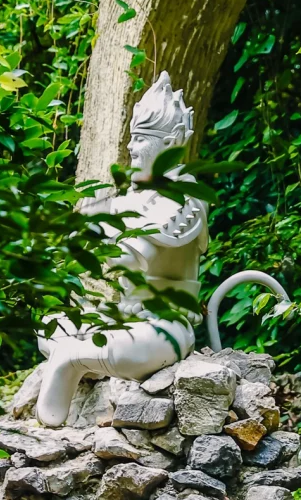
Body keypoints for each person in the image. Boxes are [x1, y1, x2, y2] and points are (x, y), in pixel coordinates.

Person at [35, 72, 207, 428]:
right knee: (49, 325)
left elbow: (129, 252)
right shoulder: (134, 196)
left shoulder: (187, 199)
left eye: (142, 140)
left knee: (138, 346)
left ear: (174, 141)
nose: (131, 148)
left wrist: (104, 219)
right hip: (125, 314)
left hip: (165, 325)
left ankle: (75, 359)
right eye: (133, 138)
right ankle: (82, 357)